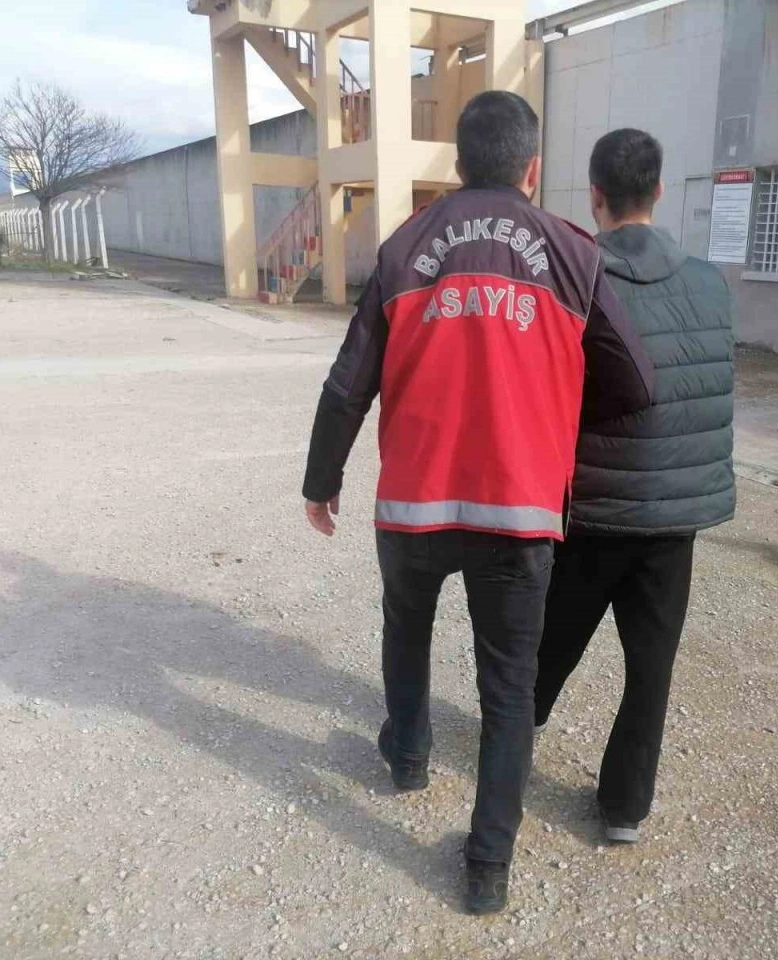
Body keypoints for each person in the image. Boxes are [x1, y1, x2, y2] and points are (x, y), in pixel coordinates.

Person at [300, 92, 654, 915]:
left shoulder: (404, 247)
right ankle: (487, 867)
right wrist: (551, 414)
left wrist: (322, 480)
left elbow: (348, 384)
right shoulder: (572, 253)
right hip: (518, 512)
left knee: (406, 630)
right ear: (532, 168)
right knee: (507, 689)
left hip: (414, 505)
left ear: (456, 165)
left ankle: (408, 757)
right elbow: (634, 382)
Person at [533, 128, 735, 845]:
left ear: (595, 196)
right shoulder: (710, 282)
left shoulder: (577, 278)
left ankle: (517, 729)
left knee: (550, 641)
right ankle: (624, 808)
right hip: (673, 520)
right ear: (658, 191)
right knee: (651, 668)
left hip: (593, 510)